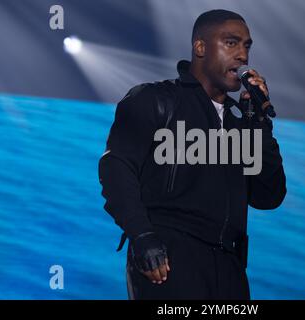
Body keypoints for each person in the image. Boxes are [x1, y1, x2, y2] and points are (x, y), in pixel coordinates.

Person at [98, 9, 286, 300]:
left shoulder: (241, 124)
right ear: (200, 47)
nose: (242, 56)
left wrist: (260, 126)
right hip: (170, 260)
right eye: (231, 43)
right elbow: (116, 167)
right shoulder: (156, 99)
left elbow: (268, 196)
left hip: (230, 268)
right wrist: (142, 235)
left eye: (246, 46)